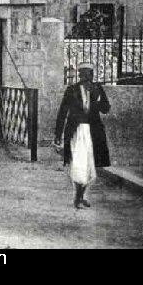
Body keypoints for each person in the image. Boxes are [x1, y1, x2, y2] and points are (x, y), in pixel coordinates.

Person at [54, 62, 112, 209]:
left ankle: (80, 196)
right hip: (77, 132)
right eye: (85, 74)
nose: (88, 77)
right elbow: (62, 112)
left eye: (90, 74)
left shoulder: (97, 89)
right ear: (80, 75)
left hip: (93, 132)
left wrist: (97, 96)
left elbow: (106, 109)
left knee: (91, 168)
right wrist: (58, 134)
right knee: (80, 164)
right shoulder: (72, 90)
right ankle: (77, 198)